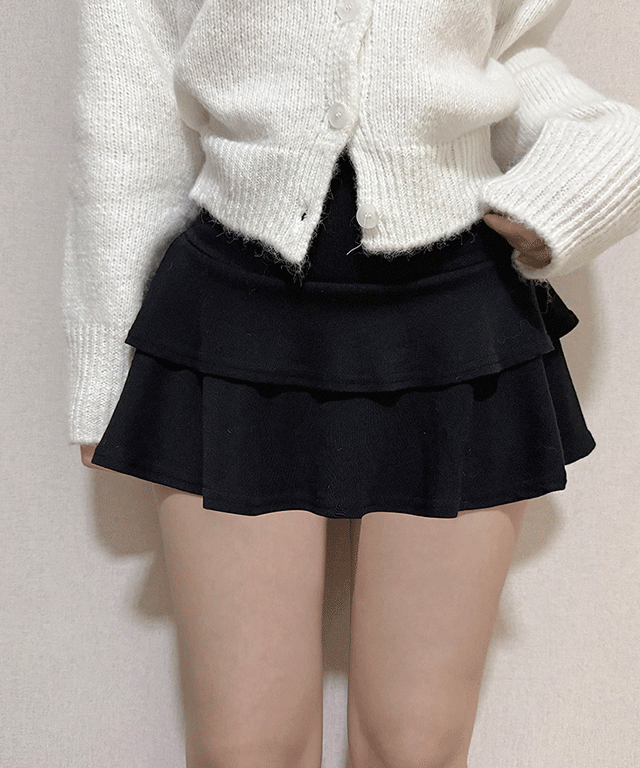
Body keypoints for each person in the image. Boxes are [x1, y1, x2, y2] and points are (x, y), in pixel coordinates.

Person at [62, 1, 640, 766]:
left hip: (456, 321)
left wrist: (592, 172)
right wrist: (103, 367)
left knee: (414, 748)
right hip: (234, 312)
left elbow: (509, 49)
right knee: (246, 750)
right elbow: (130, 97)